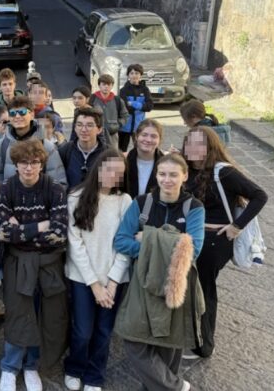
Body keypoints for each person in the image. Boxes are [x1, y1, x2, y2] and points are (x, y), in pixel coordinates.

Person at [113, 154, 205, 391]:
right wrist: (170, 244)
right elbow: (121, 241)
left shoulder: (194, 207)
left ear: (185, 176)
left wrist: (148, 238)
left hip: (176, 285)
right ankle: (178, 387)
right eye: (162, 174)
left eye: (173, 175)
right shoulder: (142, 202)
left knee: (168, 349)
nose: (167, 180)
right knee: (133, 340)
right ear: (156, 175)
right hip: (142, 283)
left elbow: (193, 249)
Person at [182, 126, 268, 359]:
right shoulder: (188, 169)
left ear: (210, 147)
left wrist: (237, 226)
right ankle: (190, 335)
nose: (193, 147)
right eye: (189, 142)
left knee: (205, 289)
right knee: (191, 287)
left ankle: (204, 345)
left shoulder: (223, 172)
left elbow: (260, 195)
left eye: (199, 143)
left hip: (214, 241)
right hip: (191, 237)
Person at [0, 140, 69, 391]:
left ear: (42, 164)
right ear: (15, 164)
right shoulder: (6, 189)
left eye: (34, 162)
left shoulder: (55, 189)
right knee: (17, 313)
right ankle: (10, 366)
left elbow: (59, 233)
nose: (29, 168)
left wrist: (21, 230)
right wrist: (40, 226)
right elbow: (1, 232)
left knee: (42, 313)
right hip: (17, 262)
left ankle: (32, 365)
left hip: (48, 263)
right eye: (23, 163)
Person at [63, 149, 131, 391]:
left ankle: (94, 375)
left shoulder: (124, 201)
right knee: (82, 330)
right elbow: (75, 243)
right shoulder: (76, 197)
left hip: (114, 278)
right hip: (82, 277)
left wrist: (112, 281)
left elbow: (125, 244)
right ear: (98, 168)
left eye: (119, 173)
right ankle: (74, 367)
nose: (113, 176)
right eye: (108, 169)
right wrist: (94, 284)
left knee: (104, 330)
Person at [0, 96, 66, 185]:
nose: (17, 116)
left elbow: (58, 182)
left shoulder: (46, 146)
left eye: (22, 112)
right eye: (12, 113)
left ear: (32, 115)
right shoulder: (2, 145)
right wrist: (3, 191)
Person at [58, 107, 107, 190]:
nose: (83, 130)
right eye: (79, 125)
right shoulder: (65, 151)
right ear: (75, 128)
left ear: (99, 130)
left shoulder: (108, 154)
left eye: (89, 125)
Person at [124, 119, 165, 198]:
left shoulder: (166, 164)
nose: (148, 140)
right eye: (144, 135)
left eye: (153, 136)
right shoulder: (124, 160)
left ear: (160, 140)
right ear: (136, 136)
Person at [118, 64, 153, 152]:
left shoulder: (145, 90)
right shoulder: (123, 90)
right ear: (128, 75)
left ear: (140, 75)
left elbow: (149, 106)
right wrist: (142, 106)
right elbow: (125, 108)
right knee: (121, 151)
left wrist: (134, 104)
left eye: (137, 73)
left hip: (139, 127)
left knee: (140, 150)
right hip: (124, 127)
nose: (134, 75)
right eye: (131, 73)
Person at [89, 74, 128, 148]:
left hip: (112, 136)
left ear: (112, 86)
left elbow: (125, 116)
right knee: (96, 154)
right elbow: (87, 115)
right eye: (104, 84)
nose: (106, 87)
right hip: (95, 135)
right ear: (99, 85)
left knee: (112, 154)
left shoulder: (118, 100)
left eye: (109, 84)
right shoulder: (92, 99)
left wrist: (117, 125)